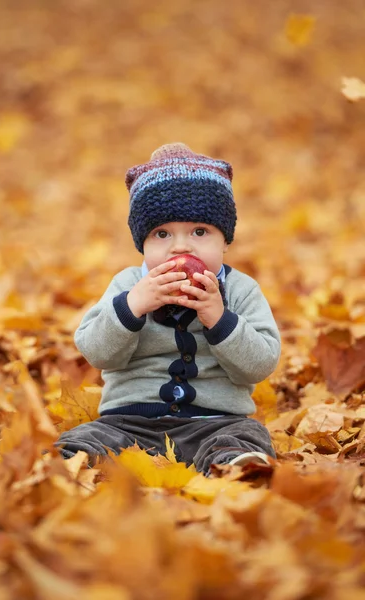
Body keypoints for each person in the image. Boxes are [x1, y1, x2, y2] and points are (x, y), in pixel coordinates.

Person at [55, 143, 281, 474]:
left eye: (200, 231)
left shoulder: (240, 290)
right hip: (130, 424)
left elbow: (259, 365)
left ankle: (234, 466)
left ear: (226, 241)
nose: (180, 246)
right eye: (162, 234)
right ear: (142, 243)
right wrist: (132, 307)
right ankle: (72, 464)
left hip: (214, 423)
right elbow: (96, 352)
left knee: (245, 435)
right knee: (87, 439)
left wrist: (220, 320)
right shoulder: (128, 285)